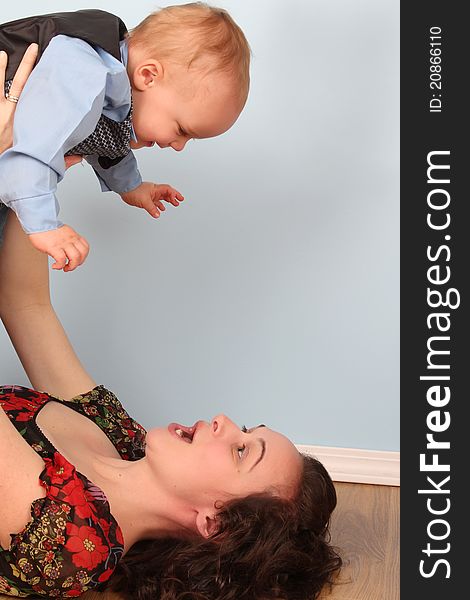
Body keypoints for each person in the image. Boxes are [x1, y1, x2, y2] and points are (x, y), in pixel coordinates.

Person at [0, 50, 341, 600]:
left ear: (214, 522)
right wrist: (42, 155)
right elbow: (26, 307)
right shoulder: (122, 440)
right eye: (247, 429)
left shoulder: (68, 534)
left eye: (239, 451)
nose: (226, 421)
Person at [0, 3, 250, 272]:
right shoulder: (81, 72)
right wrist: (45, 226)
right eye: (181, 130)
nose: (178, 146)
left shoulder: (114, 88)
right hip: (19, 173)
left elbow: (107, 139)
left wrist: (132, 186)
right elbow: (33, 150)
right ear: (148, 76)